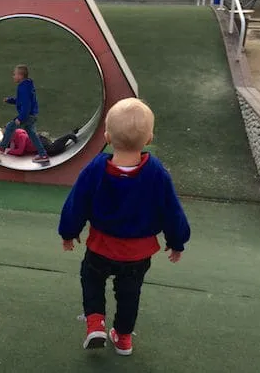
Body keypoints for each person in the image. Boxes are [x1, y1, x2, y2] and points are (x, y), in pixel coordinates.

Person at [58, 98, 190, 356]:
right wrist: (177, 241)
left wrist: (69, 232)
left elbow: (77, 202)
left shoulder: (96, 169)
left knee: (92, 279)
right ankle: (123, 338)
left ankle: (95, 322)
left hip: (101, 246)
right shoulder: (157, 173)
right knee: (130, 294)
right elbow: (172, 211)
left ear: (106, 137)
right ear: (149, 138)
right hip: (137, 254)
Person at [0, 65, 49, 163]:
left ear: (20, 76)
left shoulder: (23, 87)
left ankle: (2, 147)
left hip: (27, 115)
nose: (13, 76)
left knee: (10, 126)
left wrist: (21, 118)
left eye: (15, 74)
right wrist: (10, 100)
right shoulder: (27, 86)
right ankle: (43, 155)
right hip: (32, 114)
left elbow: (26, 104)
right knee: (32, 135)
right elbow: (21, 101)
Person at [5, 128, 79, 157]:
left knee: (53, 150)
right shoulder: (13, 138)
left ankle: (69, 135)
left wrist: (9, 151)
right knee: (55, 147)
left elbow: (20, 151)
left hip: (40, 142)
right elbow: (7, 145)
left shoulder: (21, 136)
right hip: (38, 143)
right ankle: (70, 133)